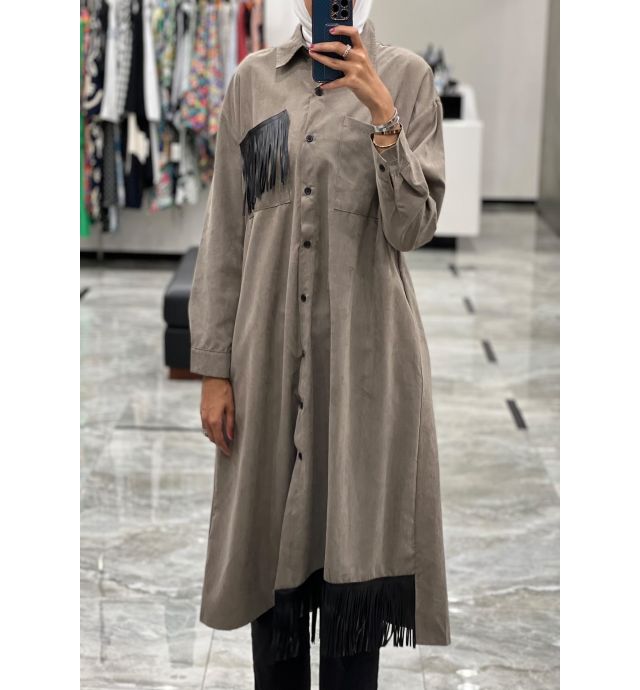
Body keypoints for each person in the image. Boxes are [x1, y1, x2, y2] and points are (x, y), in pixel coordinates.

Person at [188, 0, 451, 687]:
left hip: (365, 363)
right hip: (266, 361)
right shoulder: (253, 81)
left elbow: (413, 228)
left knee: (353, 569)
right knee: (268, 566)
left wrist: (381, 112)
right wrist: (214, 368)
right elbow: (225, 232)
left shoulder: (407, 78)